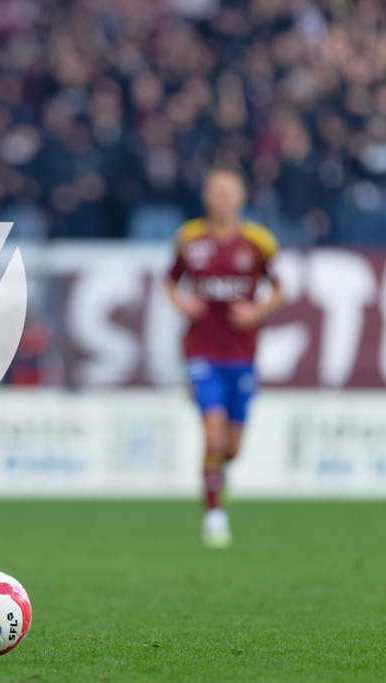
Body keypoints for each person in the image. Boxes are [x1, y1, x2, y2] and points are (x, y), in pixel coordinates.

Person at [165, 165, 284, 548]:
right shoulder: (189, 238)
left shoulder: (259, 242)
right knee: (213, 437)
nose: (222, 198)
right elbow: (170, 279)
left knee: (232, 448)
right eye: (216, 191)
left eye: (229, 191)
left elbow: (279, 289)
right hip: (201, 351)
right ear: (206, 197)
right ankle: (214, 518)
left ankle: (216, 479)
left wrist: (256, 313)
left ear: (242, 197)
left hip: (242, 354)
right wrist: (182, 302)